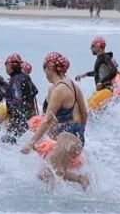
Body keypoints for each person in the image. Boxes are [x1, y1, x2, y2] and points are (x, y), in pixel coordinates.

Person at [22, 52, 89, 188]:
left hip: (68, 138)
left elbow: (48, 119)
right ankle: (59, 199)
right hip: (74, 136)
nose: (44, 73)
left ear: (50, 67)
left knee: (47, 173)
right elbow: (84, 113)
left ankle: (82, 180)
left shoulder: (59, 89)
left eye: (44, 67)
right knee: (48, 173)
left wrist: (30, 143)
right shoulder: (73, 85)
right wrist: (79, 134)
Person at [2, 53, 39, 143]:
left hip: (19, 120)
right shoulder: (25, 77)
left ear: (10, 65)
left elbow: (18, 100)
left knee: (9, 143)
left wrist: (6, 105)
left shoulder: (15, 80)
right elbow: (35, 91)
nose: (5, 68)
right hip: (30, 116)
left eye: (6, 65)